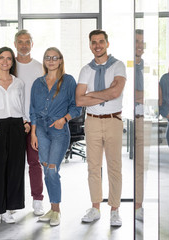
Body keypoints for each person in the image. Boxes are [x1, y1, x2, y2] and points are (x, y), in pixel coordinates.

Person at [76, 29, 126, 227]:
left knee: (115, 167)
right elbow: (79, 100)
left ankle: (115, 209)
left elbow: (116, 92)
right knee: (93, 167)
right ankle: (95, 208)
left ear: (107, 43)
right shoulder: (85, 70)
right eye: (94, 42)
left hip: (113, 120)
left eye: (101, 42)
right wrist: (105, 94)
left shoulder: (118, 66)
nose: (97, 45)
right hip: (93, 121)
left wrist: (93, 95)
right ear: (90, 45)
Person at [30, 47, 81, 226]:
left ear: (60, 60)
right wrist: (33, 133)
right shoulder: (38, 83)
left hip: (59, 130)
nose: (51, 60)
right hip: (41, 130)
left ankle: (57, 211)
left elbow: (77, 107)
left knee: (52, 170)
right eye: (47, 57)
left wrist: (64, 119)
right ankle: (51, 209)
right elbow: (33, 111)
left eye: (54, 57)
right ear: (44, 61)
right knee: (46, 170)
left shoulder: (68, 81)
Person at [0, 47, 30, 225]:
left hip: (17, 125)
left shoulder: (19, 83)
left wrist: (25, 122)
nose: (5, 61)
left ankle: (9, 209)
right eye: (1, 58)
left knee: (15, 169)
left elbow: (22, 105)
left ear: (12, 62)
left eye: (9, 58)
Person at [14, 30, 44, 216]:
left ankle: (38, 200)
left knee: (35, 162)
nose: (24, 45)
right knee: (15, 165)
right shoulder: (9, 65)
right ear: (15, 44)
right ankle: (13, 203)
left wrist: (35, 121)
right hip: (14, 122)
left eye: (27, 42)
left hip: (35, 123)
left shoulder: (40, 67)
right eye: (20, 42)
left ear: (32, 44)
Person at [134, 29, 145, 221]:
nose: (139, 46)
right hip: (123, 117)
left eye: (142, 42)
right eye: (136, 42)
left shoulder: (145, 66)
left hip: (142, 118)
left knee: (140, 166)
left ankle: (138, 206)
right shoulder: (124, 66)